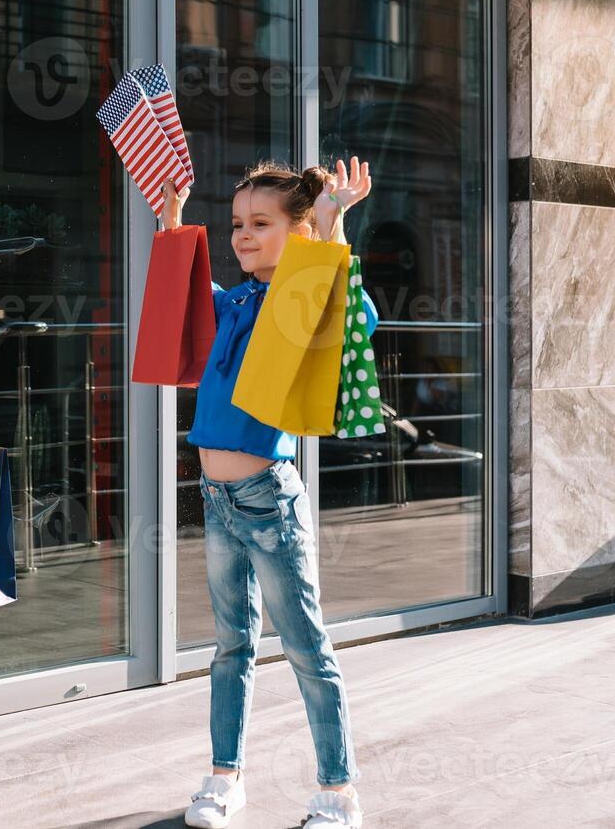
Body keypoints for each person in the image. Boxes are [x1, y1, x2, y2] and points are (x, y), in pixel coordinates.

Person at [161, 159, 374, 829]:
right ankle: (225, 780)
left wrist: (333, 229)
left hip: (269, 499)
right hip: (218, 501)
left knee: (306, 646)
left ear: (297, 230)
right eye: (236, 225)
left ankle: (338, 791)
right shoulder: (234, 303)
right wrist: (172, 218)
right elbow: (181, 301)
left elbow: (355, 314)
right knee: (231, 646)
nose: (243, 236)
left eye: (261, 225)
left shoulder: (301, 302)